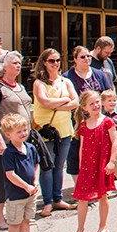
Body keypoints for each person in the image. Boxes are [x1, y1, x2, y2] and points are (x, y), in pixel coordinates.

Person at [0, 51, 32, 230]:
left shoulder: (19, 86)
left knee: (23, 176)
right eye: (14, 63)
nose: (18, 65)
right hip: (4, 142)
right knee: (1, 178)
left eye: (20, 62)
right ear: (3, 66)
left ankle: (21, 214)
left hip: (23, 140)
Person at [31, 48, 79, 217]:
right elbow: (44, 102)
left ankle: (58, 199)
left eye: (58, 60)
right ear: (44, 62)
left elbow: (76, 102)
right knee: (47, 166)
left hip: (65, 130)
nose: (55, 64)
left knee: (59, 166)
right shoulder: (39, 83)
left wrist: (58, 104)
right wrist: (65, 101)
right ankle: (47, 202)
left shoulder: (65, 81)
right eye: (52, 61)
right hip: (46, 131)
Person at [68, 90, 117, 232]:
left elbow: (115, 142)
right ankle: (79, 230)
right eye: (92, 103)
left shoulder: (108, 122)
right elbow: (82, 147)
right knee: (82, 199)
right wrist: (82, 166)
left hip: (102, 164)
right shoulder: (83, 126)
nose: (96, 105)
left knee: (103, 196)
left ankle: (103, 226)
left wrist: (112, 161)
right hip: (87, 167)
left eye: (97, 102)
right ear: (84, 108)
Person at [0, 113, 44, 232]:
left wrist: (36, 181)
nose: (23, 133)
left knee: (26, 219)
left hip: (31, 193)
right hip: (16, 194)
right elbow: (10, 174)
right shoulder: (8, 153)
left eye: (25, 130)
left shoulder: (30, 148)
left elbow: (36, 164)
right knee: (14, 222)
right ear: (8, 134)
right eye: (18, 131)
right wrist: (26, 186)